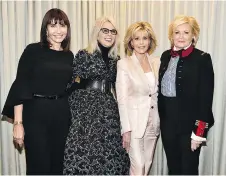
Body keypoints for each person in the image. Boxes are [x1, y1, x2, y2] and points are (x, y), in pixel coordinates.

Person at [1, 8, 73, 175]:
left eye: (62, 26)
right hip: (35, 114)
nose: (58, 31)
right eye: (53, 26)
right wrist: (18, 123)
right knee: (38, 166)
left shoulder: (69, 56)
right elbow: (20, 85)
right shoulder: (33, 50)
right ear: (45, 29)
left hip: (61, 115)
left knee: (57, 167)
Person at [63, 16, 130, 175]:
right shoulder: (84, 54)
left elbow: (120, 89)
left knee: (110, 157)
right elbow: (72, 84)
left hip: (109, 112)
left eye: (113, 31)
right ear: (96, 33)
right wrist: (77, 115)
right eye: (105, 30)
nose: (109, 34)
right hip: (86, 112)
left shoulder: (117, 60)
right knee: (85, 155)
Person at [158, 15, 214, 175]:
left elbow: (206, 100)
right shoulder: (164, 56)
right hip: (168, 126)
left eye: (186, 32)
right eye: (177, 32)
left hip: (190, 127)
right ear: (171, 35)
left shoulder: (202, 59)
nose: (181, 36)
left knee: (188, 170)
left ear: (193, 35)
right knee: (173, 169)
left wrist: (199, 134)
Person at [116, 22, 160, 175]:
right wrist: (125, 129)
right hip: (134, 124)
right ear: (131, 41)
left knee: (146, 166)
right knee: (138, 167)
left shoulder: (157, 62)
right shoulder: (124, 64)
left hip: (153, 122)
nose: (141, 43)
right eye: (137, 38)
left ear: (150, 40)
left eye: (145, 38)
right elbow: (122, 99)